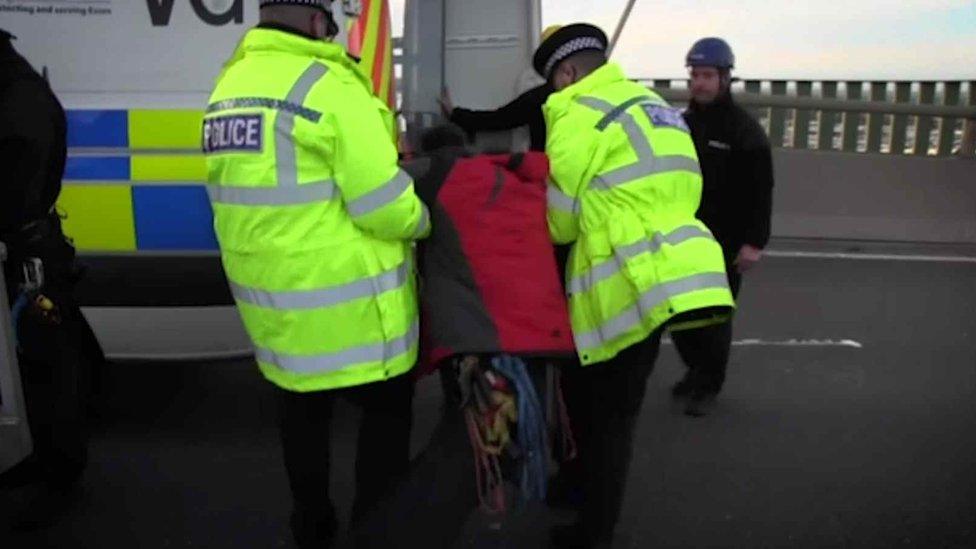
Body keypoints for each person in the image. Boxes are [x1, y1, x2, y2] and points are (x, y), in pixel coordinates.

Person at [201, 2, 430, 547]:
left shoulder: (228, 88)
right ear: (314, 21)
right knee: (385, 427)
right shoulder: (329, 85)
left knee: (301, 423)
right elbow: (383, 205)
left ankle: (312, 527)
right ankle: (374, 530)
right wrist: (425, 220)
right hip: (352, 314)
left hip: (278, 309)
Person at [536, 24, 736, 547]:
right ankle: (580, 487)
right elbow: (688, 186)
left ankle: (593, 528)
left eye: (554, 82)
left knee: (603, 417)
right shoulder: (657, 108)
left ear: (566, 72)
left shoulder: (575, 112)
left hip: (613, 278)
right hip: (663, 272)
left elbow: (560, 222)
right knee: (610, 406)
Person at [352, 124, 576, 548]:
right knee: (484, 445)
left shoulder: (430, 174)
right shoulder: (512, 176)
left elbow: (372, 200)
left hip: (486, 340)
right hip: (539, 334)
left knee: (462, 464)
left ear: (420, 152)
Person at [0, 29, 105, 530]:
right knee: (48, 357)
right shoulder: (18, 89)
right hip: (32, 248)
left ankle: (59, 469)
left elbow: (18, 183)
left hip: (27, 251)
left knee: (46, 362)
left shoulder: (18, 97)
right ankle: (50, 458)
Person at [672, 37, 775, 416]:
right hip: (683, 238)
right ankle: (696, 369)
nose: (699, 83)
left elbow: (762, 192)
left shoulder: (745, 132)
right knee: (680, 316)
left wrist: (754, 243)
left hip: (726, 242)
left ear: (725, 78)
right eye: (695, 75)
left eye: (708, 75)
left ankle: (707, 386)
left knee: (713, 318)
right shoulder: (682, 124)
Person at [437, 25, 564, 152]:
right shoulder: (540, 95)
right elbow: (500, 118)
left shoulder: (539, 95)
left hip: (547, 164)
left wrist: (455, 114)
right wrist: (456, 114)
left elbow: (499, 118)